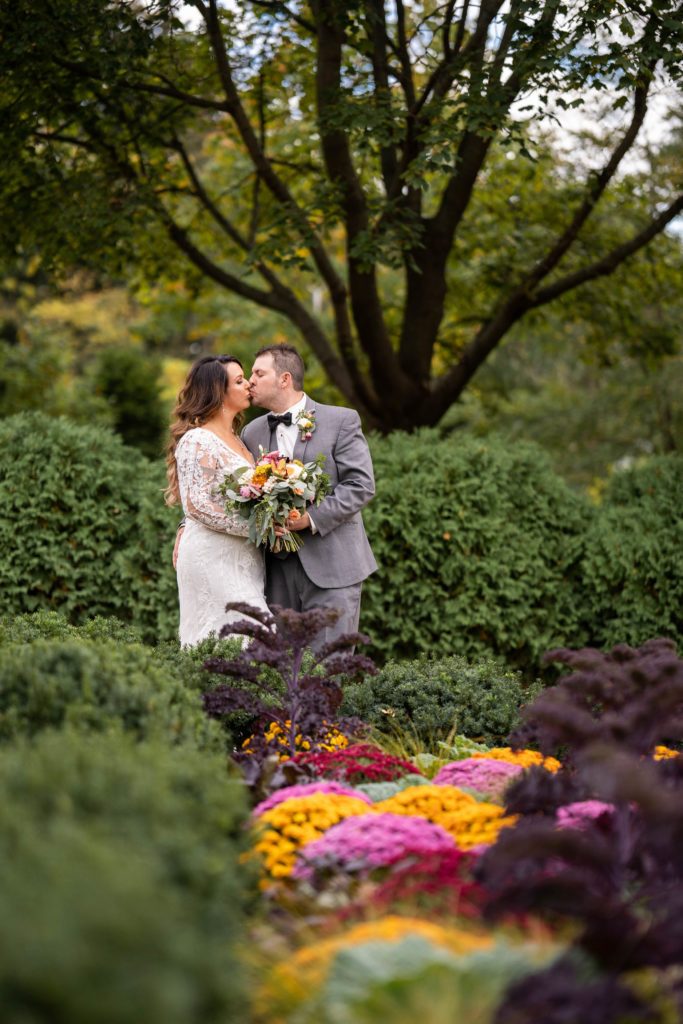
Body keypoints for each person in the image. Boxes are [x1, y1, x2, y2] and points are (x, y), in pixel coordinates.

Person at [242, 343, 377, 648]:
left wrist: (310, 519)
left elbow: (361, 485)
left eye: (258, 373)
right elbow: (230, 485)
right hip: (276, 574)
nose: (250, 380)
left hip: (334, 568)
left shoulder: (341, 421)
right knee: (280, 675)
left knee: (330, 671)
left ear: (284, 379)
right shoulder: (251, 433)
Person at [165, 355, 270, 647]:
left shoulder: (240, 438)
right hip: (212, 556)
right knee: (242, 636)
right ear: (217, 391)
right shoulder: (197, 440)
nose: (248, 383)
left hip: (243, 558)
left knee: (248, 639)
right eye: (238, 381)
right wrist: (258, 527)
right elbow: (196, 504)